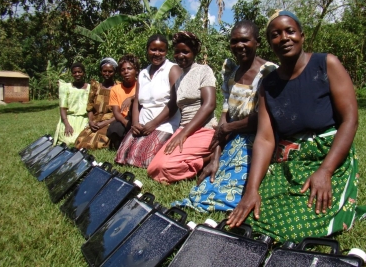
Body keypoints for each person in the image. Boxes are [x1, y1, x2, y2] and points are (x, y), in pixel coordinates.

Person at [226, 10, 365, 243]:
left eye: (290, 31)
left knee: (294, 229)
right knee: (254, 217)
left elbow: (350, 120)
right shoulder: (268, 84)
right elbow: (265, 139)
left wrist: (325, 171)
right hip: (290, 160)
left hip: (327, 156)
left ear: (302, 34)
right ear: (270, 43)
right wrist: (251, 190)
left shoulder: (326, 64)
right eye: (275, 35)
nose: (284, 38)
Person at [173, 21, 278, 212]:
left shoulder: (268, 72)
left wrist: (229, 128)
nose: (239, 46)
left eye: (245, 40)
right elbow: (224, 115)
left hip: (259, 139)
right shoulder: (232, 72)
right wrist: (216, 156)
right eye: (234, 41)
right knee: (207, 184)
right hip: (234, 138)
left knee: (235, 188)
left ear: (258, 42)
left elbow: (265, 119)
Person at [147, 31, 217, 184]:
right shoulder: (179, 79)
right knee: (153, 168)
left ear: (194, 52)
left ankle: (206, 159)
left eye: (185, 51)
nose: (180, 55)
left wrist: (183, 133)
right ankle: (192, 159)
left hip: (204, 129)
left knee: (167, 168)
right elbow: (172, 105)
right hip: (183, 129)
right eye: (177, 51)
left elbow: (210, 104)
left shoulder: (203, 71)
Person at [115, 34, 182, 168]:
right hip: (142, 124)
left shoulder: (172, 69)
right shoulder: (143, 73)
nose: (157, 53)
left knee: (143, 159)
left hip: (164, 124)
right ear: (147, 50)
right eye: (153, 49)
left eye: (161, 50)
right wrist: (135, 123)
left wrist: (154, 124)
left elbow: (175, 102)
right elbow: (137, 102)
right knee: (122, 156)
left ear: (166, 52)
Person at [75, 57, 118, 149]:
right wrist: (91, 122)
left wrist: (105, 123)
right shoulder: (96, 87)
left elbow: (121, 112)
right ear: (101, 71)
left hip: (110, 120)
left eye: (110, 71)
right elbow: (90, 107)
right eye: (104, 71)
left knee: (98, 143)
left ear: (114, 72)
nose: (107, 74)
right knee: (80, 142)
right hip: (96, 120)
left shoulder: (118, 87)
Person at [106, 54, 139, 150]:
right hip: (123, 119)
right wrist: (126, 123)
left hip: (137, 118)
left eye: (129, 69)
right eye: (123, 70)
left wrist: (131, 98)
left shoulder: (141, 85)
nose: (126, 72)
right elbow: (116, 112)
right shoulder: (115, 89)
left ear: (136, 71)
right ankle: (119, 144)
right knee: (113, 130)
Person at [54, 62, 90, 145]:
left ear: (84, 73)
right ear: (72, 74)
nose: (77, 74)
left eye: (80, 72)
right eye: (74, 72)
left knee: (82, 140)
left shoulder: (90, 88)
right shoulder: (66, 88)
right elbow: (63, 108)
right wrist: (67, 124)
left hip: (84, 119)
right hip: (70, 119)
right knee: (68, 141)